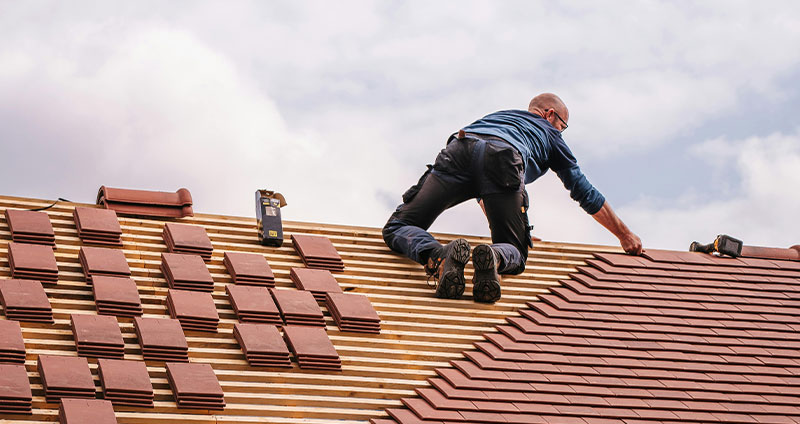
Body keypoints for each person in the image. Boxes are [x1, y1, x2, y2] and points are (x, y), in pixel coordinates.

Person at [382, 93, 643, 303]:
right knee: (515, 251)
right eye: (562, 126)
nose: (561, 132)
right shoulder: (549, 134)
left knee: (399, 226)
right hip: (504, 159)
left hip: (460, 148)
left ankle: (437, 255)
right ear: (549, 114)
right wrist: (624, 235)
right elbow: (583, 190)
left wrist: (518, 226)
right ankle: (496, 256)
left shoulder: (498, 117)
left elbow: (480, 174)